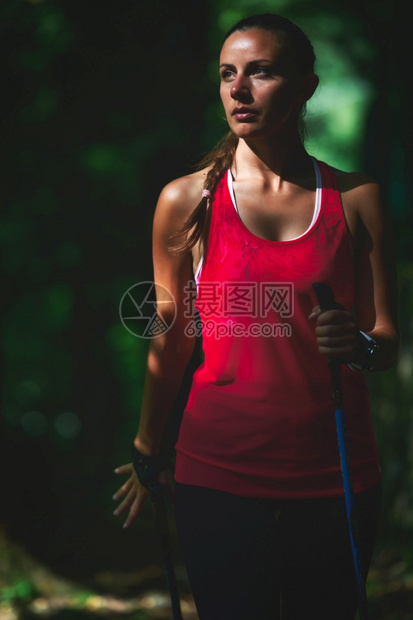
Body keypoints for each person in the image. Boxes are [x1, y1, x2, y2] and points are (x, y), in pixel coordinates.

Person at [113, 13, 399, 620]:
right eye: (227, 75)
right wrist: (147, 449)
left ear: (306, 87)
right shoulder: (186, 202)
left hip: (335, 473)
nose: (238, 89)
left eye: (261, 72)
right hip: (216, 472)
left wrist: (357, 343)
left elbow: (387, 344)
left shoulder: (356, 200)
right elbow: (171, 340)